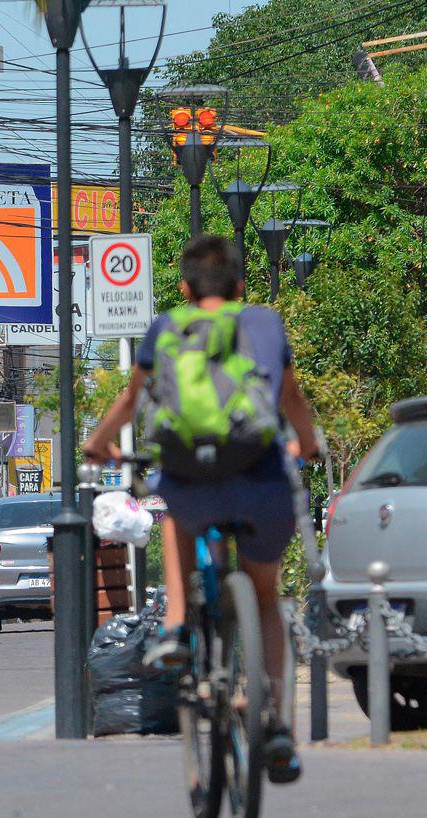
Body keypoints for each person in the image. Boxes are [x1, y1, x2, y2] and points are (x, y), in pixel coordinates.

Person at [84, 234, 320, 784]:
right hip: (258, 477)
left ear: (185, 289)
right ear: (240, 286)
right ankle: (278, 724)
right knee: (265, 594)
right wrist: (305, 447)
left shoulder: (167, 326)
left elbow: (131, 399)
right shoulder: (264, 323)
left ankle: (174, 627)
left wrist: (99, 442)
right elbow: (292, 401)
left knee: (177, 514)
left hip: (193, 478)